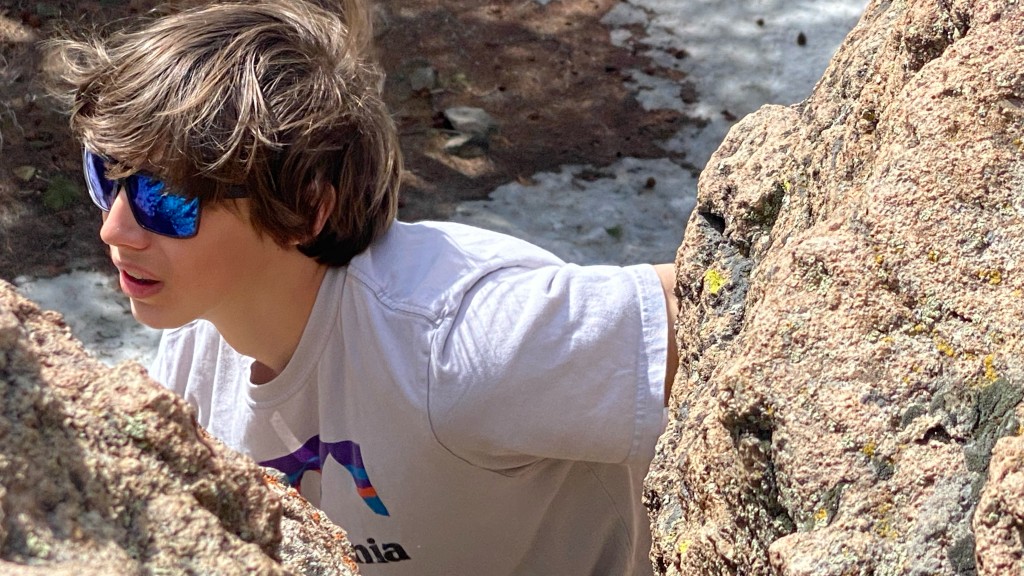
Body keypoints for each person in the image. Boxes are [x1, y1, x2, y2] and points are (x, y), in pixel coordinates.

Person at [52, 0, 680, 573]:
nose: (116, 228)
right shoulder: (196, 339)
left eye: (169, 198)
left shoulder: (456, 338)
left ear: (303, 210)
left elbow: (710, 307)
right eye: (108, 175)